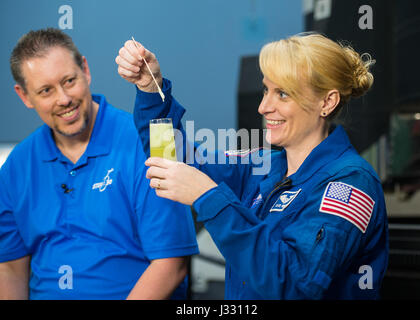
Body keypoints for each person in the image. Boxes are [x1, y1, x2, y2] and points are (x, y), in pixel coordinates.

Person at [116, 33, 389, 299]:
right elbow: (172, 159)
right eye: (266, 90)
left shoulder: (350, 183)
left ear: (327, 102)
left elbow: (296, 285)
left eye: (282, 94)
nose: (263, 106)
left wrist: (208, 198)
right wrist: (151, 90)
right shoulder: (262, 165)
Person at [0, 28, 199, 300]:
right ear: (24, 96)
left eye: (69, 81)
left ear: (85, 69)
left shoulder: (149, 142)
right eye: (46, 90)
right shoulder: (17, 166)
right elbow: (10, 269)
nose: (63, 99)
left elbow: (172, 264)